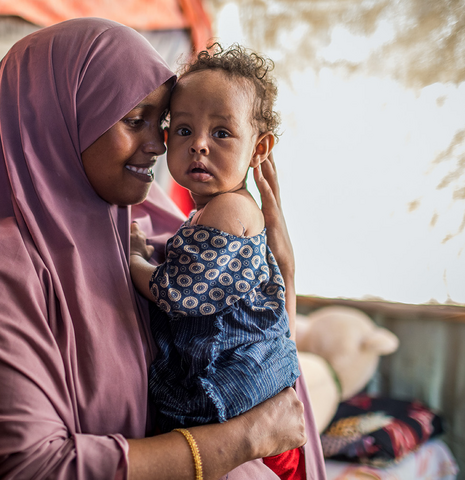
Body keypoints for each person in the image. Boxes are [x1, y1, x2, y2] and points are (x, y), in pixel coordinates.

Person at [0, 17, 326, 480]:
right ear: (60, 119)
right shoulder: (0, 269)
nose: (158, 144)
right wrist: (240, 440)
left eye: (160, 123)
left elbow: (256, 349)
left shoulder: (145, 221)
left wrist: (283, 271)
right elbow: (20, 469)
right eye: (134, 121)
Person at [129, 44, 303, 479]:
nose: (199, 146)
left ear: (260, 148)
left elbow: (179, 292)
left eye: (222, 133)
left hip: (234, 405)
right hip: (244, 403)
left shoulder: (230, 210)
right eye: (184, 130)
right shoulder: (209, 212)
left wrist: (133, 260)